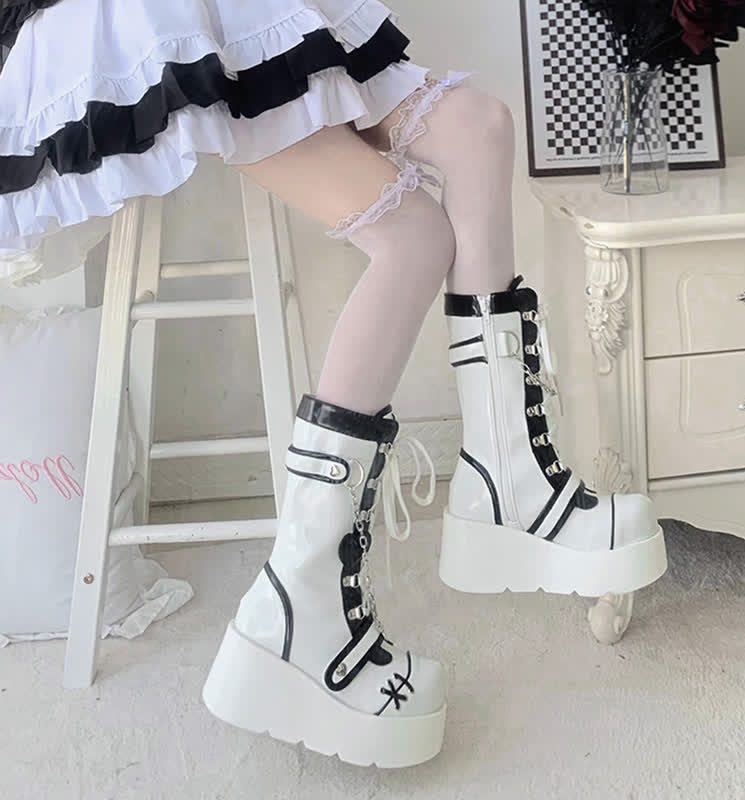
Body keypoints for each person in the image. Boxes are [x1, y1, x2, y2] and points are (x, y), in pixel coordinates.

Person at [0, 0, 667, 768]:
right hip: (149, 20)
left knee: (480, 128)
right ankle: (296, 607)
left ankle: (507, 482)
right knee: (413, 238)